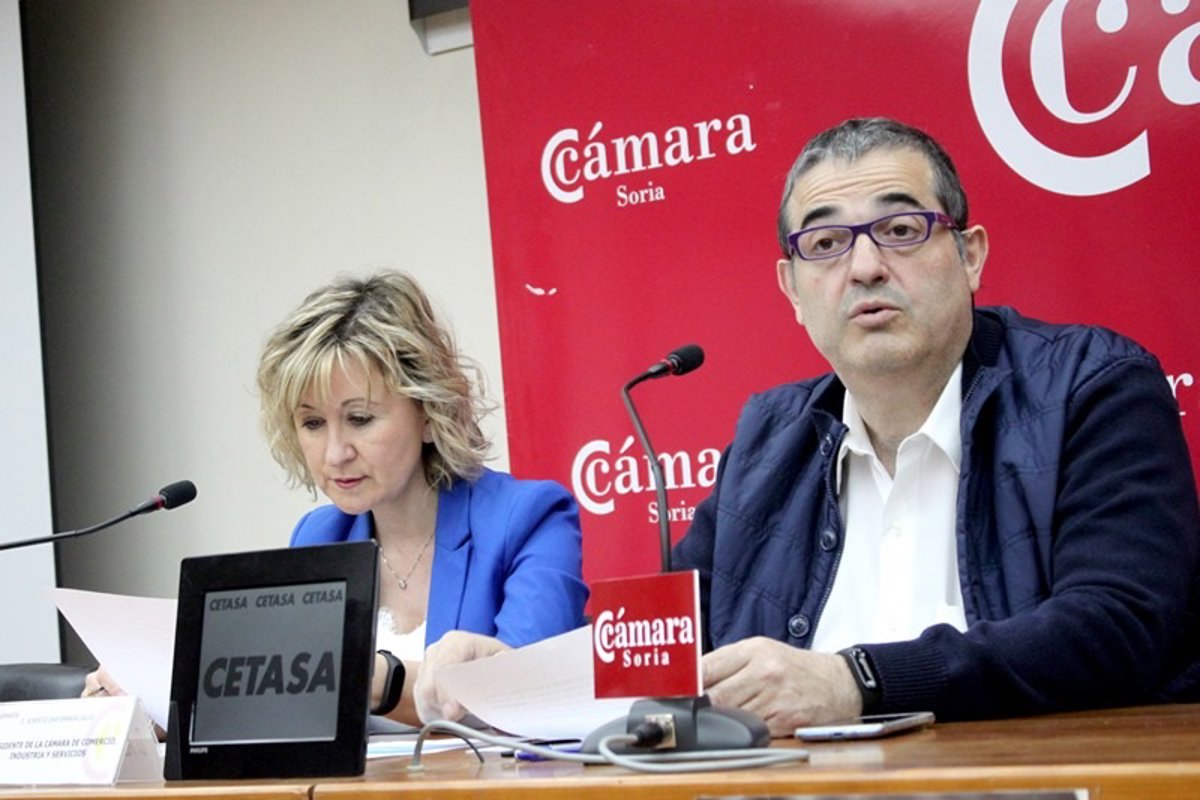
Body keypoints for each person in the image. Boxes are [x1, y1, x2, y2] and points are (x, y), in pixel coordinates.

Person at [672, 116, 1200, 737]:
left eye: (900, 230)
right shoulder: (766, 444)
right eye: (825, 243)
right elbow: (661, 645)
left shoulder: (1092, 387)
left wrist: (859, 681)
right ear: (792, 289)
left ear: (970, 256)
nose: (864, 267)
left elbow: (1119, 626)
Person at [85, 271, 588, 726]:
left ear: (430, 411)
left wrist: (376, 678)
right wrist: (162, 707)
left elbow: (533, 700)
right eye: (312, 423)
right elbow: (287, 711)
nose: (334, 453)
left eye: (360, 419)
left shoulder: (530, 518)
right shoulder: (319, 535)